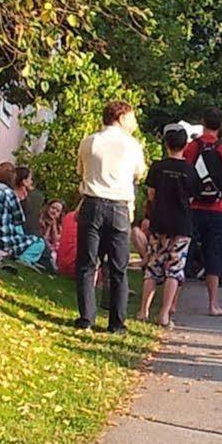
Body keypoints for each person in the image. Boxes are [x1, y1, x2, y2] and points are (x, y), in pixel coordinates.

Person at [74, 100, 147, 332]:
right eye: (132, 118)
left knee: (87, 263)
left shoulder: (90, 141)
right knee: (118, 267)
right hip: (119, 206)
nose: (134, 123)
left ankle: (86, 318)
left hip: (92, 203)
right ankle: (117, 323)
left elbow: (81, 171)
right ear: (122, 117)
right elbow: (139, 173)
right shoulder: (132, 145)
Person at [182, 107, 222, 317]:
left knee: (186, 252)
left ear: (202, 122)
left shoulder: (191, 148)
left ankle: (174, 302)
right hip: (217, 208)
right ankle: (213, 304)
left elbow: (187, 174)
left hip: (194, 206)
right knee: (214, 255)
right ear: (221, 126)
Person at [140, 126, 196, 326]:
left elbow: (151, 194)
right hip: (181, 224)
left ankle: (143, 311)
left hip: (159, 221)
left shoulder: (157, 167)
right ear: (186, 145)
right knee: (175, 268)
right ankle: (164, 313)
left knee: (153, 266)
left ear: (166, 144)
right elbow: (191, 197)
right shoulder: (190, 170)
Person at [0, 163, 50, 270]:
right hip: (4, 243)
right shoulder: (8, 193)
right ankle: (24, 260)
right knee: (39, 242)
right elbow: (19, 219)